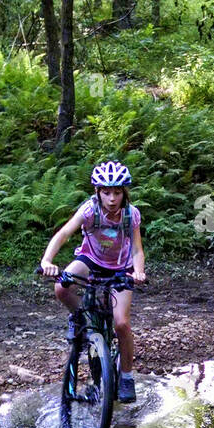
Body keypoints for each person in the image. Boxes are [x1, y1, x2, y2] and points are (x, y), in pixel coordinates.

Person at [40, 160, 146, 402]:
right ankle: (78, 316)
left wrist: (138, 271)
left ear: (124, 193)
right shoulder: (90, 210)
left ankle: (127, 377)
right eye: (106, 192)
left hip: (121, 267)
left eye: (117, 192)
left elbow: (138, 250)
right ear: (97, 191)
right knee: (62, 286)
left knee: (121, 324)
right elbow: (64, 233)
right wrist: (47, 260)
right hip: (91, 260)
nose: (111, 198)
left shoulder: (131, 214)